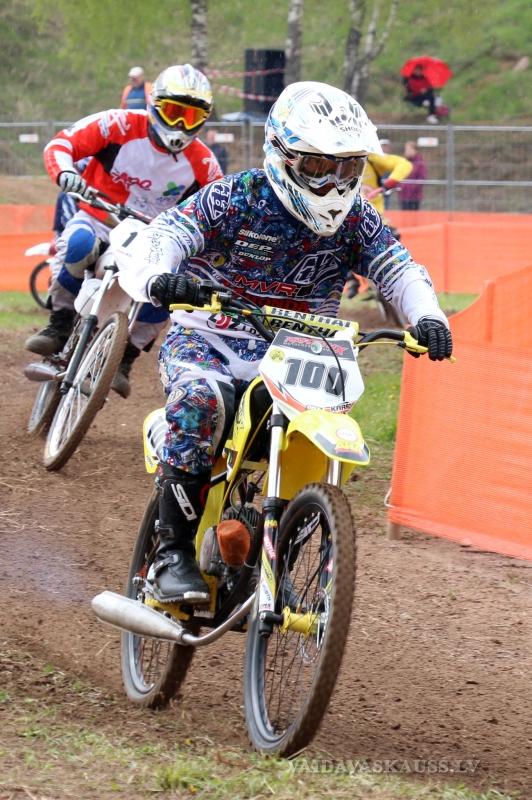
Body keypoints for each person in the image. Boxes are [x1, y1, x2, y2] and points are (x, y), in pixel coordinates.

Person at [116, 81, 453, 605]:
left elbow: (398, 268)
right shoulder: (238, 195)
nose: (336, 182)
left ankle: (276, 561)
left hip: (301, 352)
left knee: (319, 438)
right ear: (284, 154)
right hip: (210, 337)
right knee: (202, 401)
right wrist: (161, 278)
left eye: (349, 168)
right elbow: (170, 233)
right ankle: (171, 555)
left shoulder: (358, 218)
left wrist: (428, 316)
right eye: (320, 166)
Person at [25, 64, 223, 399]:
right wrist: (65, 173)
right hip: (99, 217)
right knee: (78, 243)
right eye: (173, 112)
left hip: (154, 238)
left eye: (190, 117)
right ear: (154, 105)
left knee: (174, 286)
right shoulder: (117, 124)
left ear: (203, 120)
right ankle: (60, 322)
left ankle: (126, 356)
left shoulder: (204, 163)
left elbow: (220, 213)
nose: (179, 125)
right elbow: (61, 144)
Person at [400, 141, 427, 210]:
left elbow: (421, 178)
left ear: (415, 150)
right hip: (403, 195)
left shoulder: (420, 162)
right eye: (406, 150)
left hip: (415, 197)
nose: (407, 152)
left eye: (409, 149)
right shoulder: (403, 162)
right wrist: (401, 187)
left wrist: (412, 189)